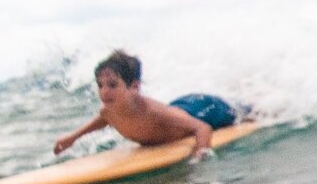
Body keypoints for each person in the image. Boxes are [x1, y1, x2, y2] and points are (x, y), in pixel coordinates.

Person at [53, 50, 242, 162]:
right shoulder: (109, 111)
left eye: (112, 85)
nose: (104, 92)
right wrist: (72, 138)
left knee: (244, 112)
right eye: (100, 85)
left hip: (205, 109)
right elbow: (103, 119)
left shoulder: (152, 112)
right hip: (180, 108)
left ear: (134, 87)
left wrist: (200, 155)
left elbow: (202, 128)